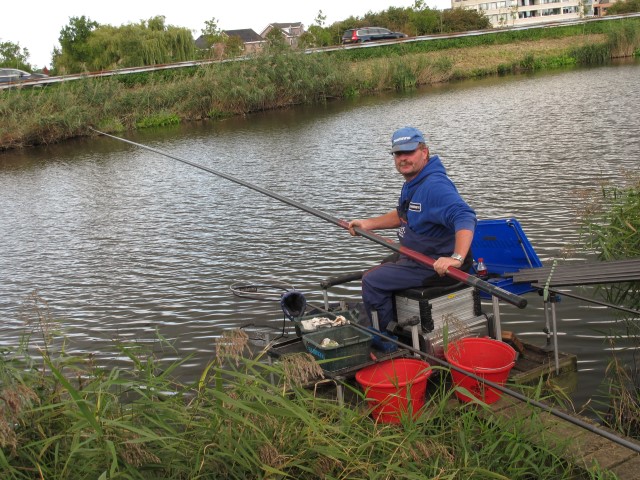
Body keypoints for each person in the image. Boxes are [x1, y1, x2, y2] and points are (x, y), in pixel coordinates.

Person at [348, 126, 476, 331]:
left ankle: (385, 339)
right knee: (385, 263)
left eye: (409, 152)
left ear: (424, 152)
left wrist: (456, 258)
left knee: (372, 281)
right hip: (417, 255)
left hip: (434, 264)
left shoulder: (434, 186)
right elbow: (405, 214)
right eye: (398, 153)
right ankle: (396, 322)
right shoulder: (415, 181)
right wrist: (368, 223)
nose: (403, 158)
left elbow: (465, 215)